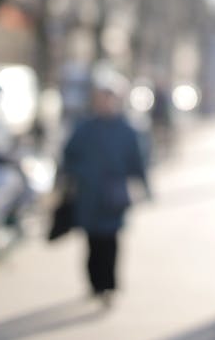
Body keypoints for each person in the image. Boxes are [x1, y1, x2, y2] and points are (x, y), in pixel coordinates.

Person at [62, 72, 151, 307]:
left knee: (111, 243)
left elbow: (137, 161)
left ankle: (109, 286)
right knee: (92, 244)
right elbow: (68, 156)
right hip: (88, 195)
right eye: (101, 98)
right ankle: (95, 284)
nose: (104, 103)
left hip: (113, 197)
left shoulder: (127, 130)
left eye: (109, 98)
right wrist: (75, 176)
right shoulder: (84, 128)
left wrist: (145, 186)